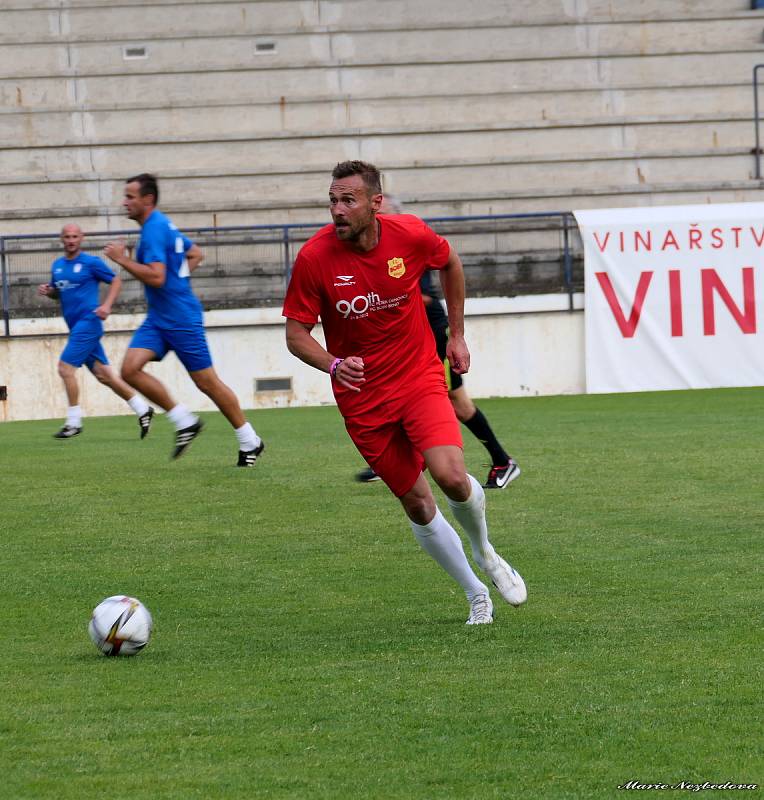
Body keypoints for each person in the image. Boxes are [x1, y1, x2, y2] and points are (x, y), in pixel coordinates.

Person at [283, 160, 526, 625]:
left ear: (375, 203)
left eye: (348, 200)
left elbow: (450, 262)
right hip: (363, 400)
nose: (337, 209)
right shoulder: (314, 258)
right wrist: (333, 364)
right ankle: (476, 593)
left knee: (451, 475)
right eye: (333, 200)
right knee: (417, 502)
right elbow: (296, 335)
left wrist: (456, 335)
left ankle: (487, 553)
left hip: (418, 377)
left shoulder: (410, 234)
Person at [356, 194, 520, 489]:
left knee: (454, 402)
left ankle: (502, 461)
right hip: (417, 335)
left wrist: (382, 299)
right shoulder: (380, 250)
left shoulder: (406, 245)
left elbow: (429, 293)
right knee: (415, 396)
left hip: (432, 332)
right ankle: (400, 460)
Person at [103, 173, 264, 465]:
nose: (124, 202)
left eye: (130, 196)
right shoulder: (162, 224)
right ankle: (184, 421)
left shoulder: (154, 229)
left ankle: (249, 439)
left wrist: (122, 259)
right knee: (129, 370)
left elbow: (156, 276)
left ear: (147, 199)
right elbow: (195, 253)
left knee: (208, 383)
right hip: (159, 318)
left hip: (180, 318)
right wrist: (178, 279)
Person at [37, 223, 154, 439]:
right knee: (104, 376)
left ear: (81, 239)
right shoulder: (58, 265)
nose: (71, 240)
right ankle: (142, 409)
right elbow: (58, 292)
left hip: (89, 323)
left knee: (65, 369)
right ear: (61, 239)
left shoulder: (91, 263)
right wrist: (49, 291)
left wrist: (107, 305)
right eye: (67, 236)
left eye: (75, 236)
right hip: (76, 327)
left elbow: (116, 281)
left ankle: (74, 422)